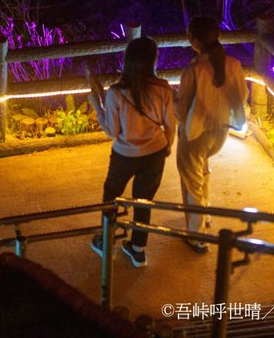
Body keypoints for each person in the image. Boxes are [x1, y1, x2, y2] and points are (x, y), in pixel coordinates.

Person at [86, 35, 177, 268]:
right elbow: (170, 123)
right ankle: (138, 250)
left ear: (127, 61)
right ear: (153, 61)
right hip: (155, 152)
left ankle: (107, 241)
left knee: (112, 196)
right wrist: (168, 144)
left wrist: (97, 106)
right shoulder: (163, 88)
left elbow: (112, 131)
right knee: (144, 201)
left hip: (124, 155)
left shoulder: (116, 92)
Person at [176, 16, 249, 253]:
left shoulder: (194, 70)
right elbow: (242, 96)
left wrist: (172, 100)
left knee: (192, 182)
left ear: (195, 42)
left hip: (196, 135)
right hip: (221, 132)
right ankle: (205, 215)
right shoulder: (234, 64)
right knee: (203, 173)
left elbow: (182, 108)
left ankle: (198, 236)